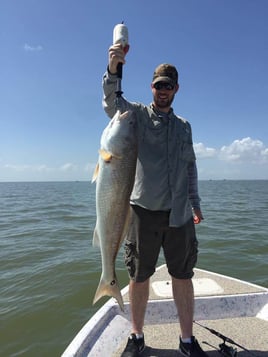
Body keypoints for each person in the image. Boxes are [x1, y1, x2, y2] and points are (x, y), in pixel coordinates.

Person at [102, 43, 208, 357]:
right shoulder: (134, 116)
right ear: (152, 86)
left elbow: (190, 166)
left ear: (176, 89)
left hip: (179, 215)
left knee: (183, 276)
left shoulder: (184, 127)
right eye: (159, 85)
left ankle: (187, 340)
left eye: (169, 86)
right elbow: (111, 101)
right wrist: (113, 69)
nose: (163, 91)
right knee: (138, 276)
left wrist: (196, 202)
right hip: (142, 212)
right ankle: (136, 337)